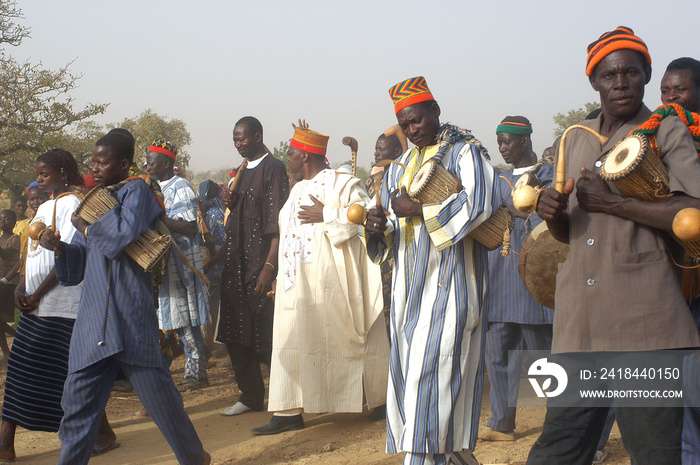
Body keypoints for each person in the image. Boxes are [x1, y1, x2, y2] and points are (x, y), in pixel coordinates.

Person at [527, 27, 700, 465]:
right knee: (559, 448)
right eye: (609, 75)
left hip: (646, 323)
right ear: (594, 82)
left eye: (630, 73)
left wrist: (615, 203)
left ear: (646, 75)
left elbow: (694, 214)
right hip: (578, 322)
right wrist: (556, 215)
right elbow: (572, 235)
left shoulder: (664, 130)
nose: (620, 83)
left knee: (654, 452)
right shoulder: (575, 137)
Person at [40, 133, 210, 465]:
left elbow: (120, 238)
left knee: (162, 403)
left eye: (102, 161)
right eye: (93, 161)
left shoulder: (138, 193)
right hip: (93, 322)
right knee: (77, 406)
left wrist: (87, 227)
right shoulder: (96, 199)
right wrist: (60, 247)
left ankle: (194, 458)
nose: (95, 167)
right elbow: (77, 268)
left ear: (123, 164)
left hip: (128, 316)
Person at [363, 76, 500, 465]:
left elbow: (482, 205)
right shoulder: (400, 165)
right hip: (409, 299)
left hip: (451, 294)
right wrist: (377, 227)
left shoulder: (465, 153)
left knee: (430, 395)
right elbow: (392, 228)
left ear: (435, 110)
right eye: (404, 124)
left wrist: (420, 211)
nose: (411, 129)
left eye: (417, 120)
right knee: (425, 399)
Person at [251, 126, 389, 435]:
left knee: (352, 338)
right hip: (296, 284)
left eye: (290, 153)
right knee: (293, 341)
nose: (287, 158)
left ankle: (378, 401)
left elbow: (366, 218)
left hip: (334, 282)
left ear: (304, 155)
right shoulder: (298, 188)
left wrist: (326, 212)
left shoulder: (344, 183)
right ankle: (288, 410)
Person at [0, 149, 118, 462]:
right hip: (34, 304)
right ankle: (7, 441)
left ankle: (100, 433)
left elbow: (68, 256)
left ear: (64, 174)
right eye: (37, 173)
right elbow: (34, 255)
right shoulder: (44, 207)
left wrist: (36, 294)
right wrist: (22, 287)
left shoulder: (72, 205)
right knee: (27, 371)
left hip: (61, 306)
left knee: (62, 375)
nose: (39, 179)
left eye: (45, 174)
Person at [207, 116, 289, 417]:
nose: (238, 144)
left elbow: (276, 222)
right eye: (234, 140)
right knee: (234, 332)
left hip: (258, 263)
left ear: (258, 135)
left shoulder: (274, 168)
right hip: (234, 264)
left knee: (263, 333)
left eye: (242, 138)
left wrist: (269, 266)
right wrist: (233, 201)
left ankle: (293, 391)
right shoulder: (240, 172)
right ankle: (251, 396)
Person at [479, 116, 554, 443]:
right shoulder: (497, 180)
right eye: (500, 143)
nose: (503, 148)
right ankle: (501, 423)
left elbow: (553, 217)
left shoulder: (547, 174)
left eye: (509, 142)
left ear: (525, 141)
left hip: (533, 280)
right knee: (497, 352)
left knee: (543, 358)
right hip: (499, 277)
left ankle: (559, 427)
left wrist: (521, 211)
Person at [660, 56, 700, 465]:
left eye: (681, 90)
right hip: (672, 282)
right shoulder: (651, 142)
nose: (672, 99)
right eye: (666, 92)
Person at [146, 140, 210, 391]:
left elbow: (189, 227)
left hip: (183, 265)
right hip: (164, 266)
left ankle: (196, 373)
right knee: (177, 319)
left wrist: (160, 218)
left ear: (166, 164)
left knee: (189, 318)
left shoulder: (180, 186)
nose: (147, 166)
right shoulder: (151, 188)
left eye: (151, 162)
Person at [197, 179, 227, 357]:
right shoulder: (218, 211)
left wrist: (209, 263)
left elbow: (222, 244)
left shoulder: (213, 215)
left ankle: (214, 344)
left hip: (216, 269)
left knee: (214, 306)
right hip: (218, 267)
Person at [0, 209, 19, 361]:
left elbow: (6, 257)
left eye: (5, 219)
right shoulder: (1, 238)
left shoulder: (15, 238)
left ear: (13, 222)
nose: (2, 221)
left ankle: (18, 338)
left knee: (2, 319)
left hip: (9, 283)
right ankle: (6, 352)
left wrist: (4, 280)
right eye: (0, 218)